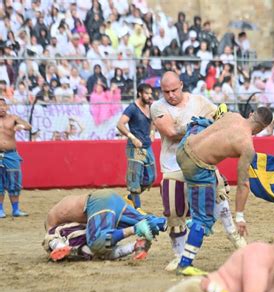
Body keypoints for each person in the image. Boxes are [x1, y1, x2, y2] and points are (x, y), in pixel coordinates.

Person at [151, 71, 246, 272]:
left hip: (202, 162)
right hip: (172, 166)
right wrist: (199, 124)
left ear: (182, 85)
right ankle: (179, 255)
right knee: (174, 212)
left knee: (219, 195)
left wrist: (213, 121)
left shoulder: (200, 101)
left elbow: (219, 118)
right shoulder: (157, 107)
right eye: (166, 91)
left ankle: (234, 235)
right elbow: (171, 132)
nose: (171, 95)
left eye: (174, 90)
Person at [174, 105, 273, 275]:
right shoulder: (247, 146)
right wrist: (240, 216)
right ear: (263, 128)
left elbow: (214, 118)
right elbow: (243, 184)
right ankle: (185, 263)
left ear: (250, 114)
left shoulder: (231, 115)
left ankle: (199, 220)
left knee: (218, 189)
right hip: (197, 166)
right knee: (202, 220)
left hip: (183, 147)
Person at [43, 189, 167, 261]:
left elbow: (51, 238)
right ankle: (176, 224)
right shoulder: (62, 213)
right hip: (112, 199)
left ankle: (135, 229)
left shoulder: (53, 224)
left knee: (96, 242)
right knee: (144, 220)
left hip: (98, 203)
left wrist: (58, 247)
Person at [117, 83, 156, 212]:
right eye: (147, 93)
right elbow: (120, 124)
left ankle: (130, 197)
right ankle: (137, 208)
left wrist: (152, 132)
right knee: (135, 178)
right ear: (140, 93)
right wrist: (132, 137)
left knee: (151, 177)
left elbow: (154, 121)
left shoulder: (150, 107)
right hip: (135, 148)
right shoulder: (132, 108)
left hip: (147, 146)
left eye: (150, 93)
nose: (149, 96)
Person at [0, 97, 32, 218]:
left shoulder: (13, 118)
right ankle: (0, 210)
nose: (1, 107)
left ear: (7, 107)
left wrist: (20, 126)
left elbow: (28, 126)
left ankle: (16, 209)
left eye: (3, 105)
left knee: (15, 182)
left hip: (11, 154)